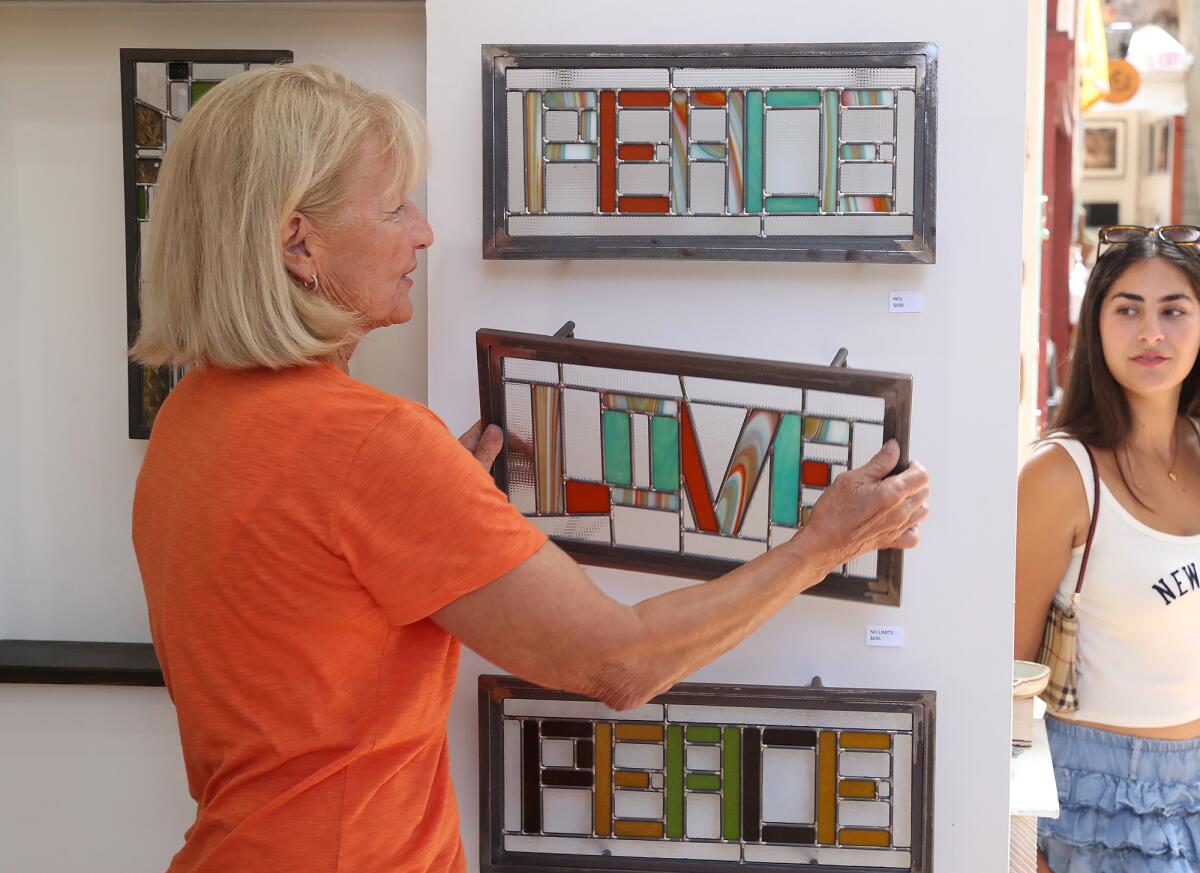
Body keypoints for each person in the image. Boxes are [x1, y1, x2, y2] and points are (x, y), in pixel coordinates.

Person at [131, 63, 930, 873]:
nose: (424, 230)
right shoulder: (366, 445)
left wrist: (428, 513)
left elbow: (305, 627)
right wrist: (821, 548)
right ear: (298, 242)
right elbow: (621, 660)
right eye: (393, 206)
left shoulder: (188, 419)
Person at [1015, 226, 1200, 873]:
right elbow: (1002, 681)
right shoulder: (1060, 475)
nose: (1152, 331)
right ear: (1095, 325)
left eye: (1173, 309)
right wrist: (1019, 840)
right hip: (1100, 803)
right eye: (1128, 308)